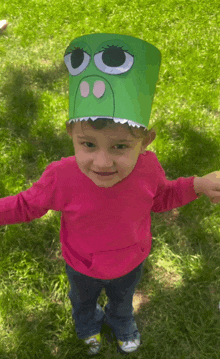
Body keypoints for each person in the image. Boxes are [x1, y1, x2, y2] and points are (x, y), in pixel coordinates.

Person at [0, 33, 220, 356]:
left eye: (120, 146)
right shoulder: (61, 177)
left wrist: (197, 185)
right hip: (81, 264)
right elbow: (25, 205)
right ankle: (88, 323)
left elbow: (160, 198)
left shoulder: (148, 168)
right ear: (71, 135)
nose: (102, 162)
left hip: (131, 260)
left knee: (122, 298)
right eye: (88, 144)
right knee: (83, 299)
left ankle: (121, 320)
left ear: (145, 142)